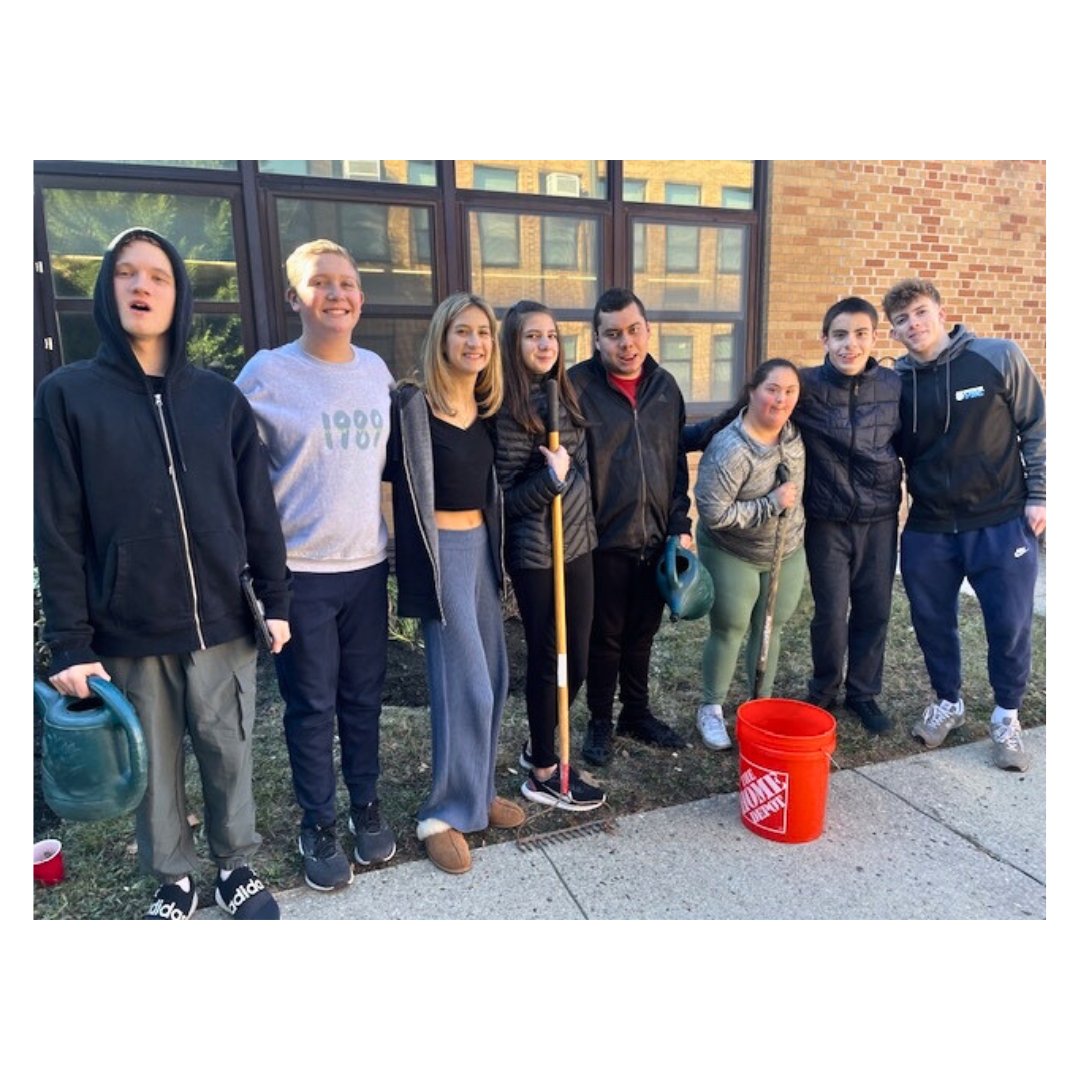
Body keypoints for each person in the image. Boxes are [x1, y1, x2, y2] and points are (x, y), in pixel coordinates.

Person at [34, 227, 291, 920]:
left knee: (228, 752)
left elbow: (257, 510)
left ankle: (237, 867)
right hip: (128, 626)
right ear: (106, 288)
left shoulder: (218, 399)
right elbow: (56, 529)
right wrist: (71, 642)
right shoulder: (67, 397)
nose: (141, 286)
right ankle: (173, 877)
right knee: (155, 769)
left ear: (178, 296)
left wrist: (276, 598)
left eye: (157, 275)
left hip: (222, 622)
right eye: (126, 273)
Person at [236, 239, 397, 893]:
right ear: (293, 297)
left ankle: (364, 804)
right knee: (311, 707)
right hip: (299, 575)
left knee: (363, 699)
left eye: (347, 283)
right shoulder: (267, 374)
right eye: (321, 283)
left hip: (366, 567)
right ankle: (319, 822)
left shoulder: (377, 371)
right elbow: (237, 476)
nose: (337, 294)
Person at [387, 292, 526, 875]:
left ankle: (479, 790)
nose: (474, 342)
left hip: (481, 553)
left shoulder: (487, 413)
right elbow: (389, 488)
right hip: (441, 556)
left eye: (483, 333)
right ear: (442, 338)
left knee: (493, 678)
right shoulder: (412, 406)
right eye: (462, 331)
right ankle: (441, 812)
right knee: (461, 685)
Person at [883, 279, 1046, 771]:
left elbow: (1036, 426)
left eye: (919, 312)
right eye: (901, 320)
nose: (913, 325)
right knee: (932, 622)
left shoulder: (997, 356)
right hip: (930, 526)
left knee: (1009, 623)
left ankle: (1006, 717)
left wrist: (1040, 495)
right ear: (893, 332)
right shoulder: (896, 382)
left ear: (940, 311)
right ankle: (948, 702)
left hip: (999, 520)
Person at [568, 288, 693, 766]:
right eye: (613, 334)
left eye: (633, 330)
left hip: (656, 538)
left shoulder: (666, 388)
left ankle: (635, 714)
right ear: (596, 339)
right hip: (601, 541)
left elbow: (676, 463)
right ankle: (600, 720)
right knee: (605, 637)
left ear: (647, 329)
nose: (626, 343)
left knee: (643, 633)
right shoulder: (576, 388)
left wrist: (679, 523)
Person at [494, 300, 605, 811]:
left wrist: (572, 480)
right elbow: (507, 500)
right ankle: (542, 768)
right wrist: (552, 479)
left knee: (577, 659)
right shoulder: (508, 412)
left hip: (577, 543)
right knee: (549, 658)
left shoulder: (568, 396)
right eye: (532, 336)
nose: (544, 345)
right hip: (538, 552)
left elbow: (582, 471)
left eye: (552, 336)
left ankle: (537, 742)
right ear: (513, 344)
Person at [794, 297, 902, 733]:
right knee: (831, 613)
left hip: (880, 519)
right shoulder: (806, 385)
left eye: (860, 334)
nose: (849, 345)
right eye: (840, 335)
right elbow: (754, 410)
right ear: (824, 339)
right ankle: (823, 689)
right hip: (827, 519)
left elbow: (918, 445)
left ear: (874, 338)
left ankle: (863, 692)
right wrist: (684, 437)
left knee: (875, 609)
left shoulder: (896, 387)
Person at [691, 359, 807, 749]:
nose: (781, 399)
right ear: (753, 391)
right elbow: (714, 512)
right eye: (772, 389)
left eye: (790, 391)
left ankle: (760, 706)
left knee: (772, 626)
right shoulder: (730, 448)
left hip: (785, 549)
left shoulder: (793, 436)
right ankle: (711, 708)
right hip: (731, 550)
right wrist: (770, 504)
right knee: (731, 627)